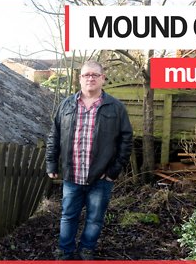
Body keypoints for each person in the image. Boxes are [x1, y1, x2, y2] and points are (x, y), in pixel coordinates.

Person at [46, 60, 133, 260]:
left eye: (95, 75)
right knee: (68, 216)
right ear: (80, 79)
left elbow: (126, 140)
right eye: (86, 75)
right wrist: (51, 162)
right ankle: (65, 250)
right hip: (72, 174)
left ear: (103, 78)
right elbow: (54, 135)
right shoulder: (66, 104)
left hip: (100, 177)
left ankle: (86, 249)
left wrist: (113, 171)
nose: (90, 78)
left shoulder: (115, 107)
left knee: (95, 218)